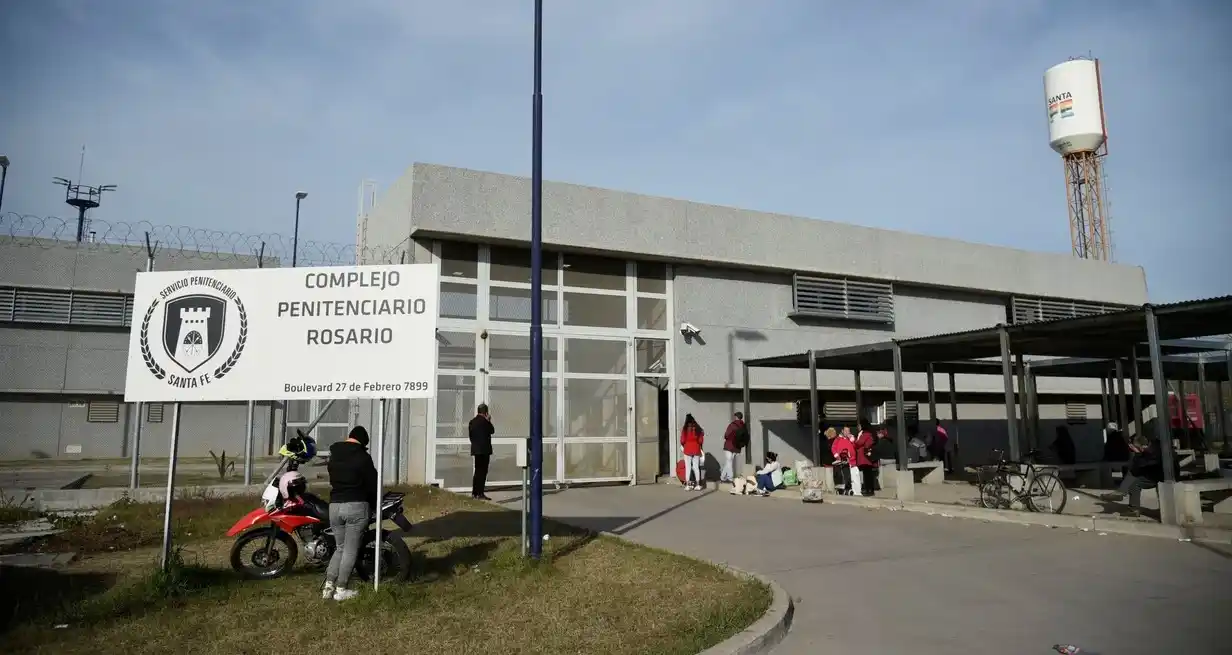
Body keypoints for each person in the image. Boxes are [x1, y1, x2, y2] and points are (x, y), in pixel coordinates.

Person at [323, 426, 378, 602]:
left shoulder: (333, 456)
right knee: (350, 550)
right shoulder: (363, 457)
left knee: (339, 547)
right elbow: (373, 483)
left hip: (334, 506)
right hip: (356, 506)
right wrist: (374, 504)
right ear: (362, 442)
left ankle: (328, 587)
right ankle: (341, 589)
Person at [469, 403, 495, 500]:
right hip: (484, 451)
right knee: (483, 472)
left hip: (476, 450)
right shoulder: (485, 422)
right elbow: (492, 431)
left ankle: (474, 493)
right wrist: (488, 421)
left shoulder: (472, 422)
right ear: (486, 412)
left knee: (477, 472)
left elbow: (471, 436)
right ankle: (480, 493)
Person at [721, 412, 748, 483]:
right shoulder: (744, 426)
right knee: (729, 462)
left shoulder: (732, 425)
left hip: (729, 445)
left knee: (729, 462)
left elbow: (726, 435)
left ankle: (730, 478)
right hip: (737, 447)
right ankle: (722, 477)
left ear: (736, 417)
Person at [680, 414, 705, 490]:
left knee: (688, 468)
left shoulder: (685, 429)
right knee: (696, 467)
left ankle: (688, 485)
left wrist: (685, 444)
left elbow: (682, 440)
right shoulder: (698, 429)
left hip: (687, 449)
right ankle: (698, 485)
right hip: (696, 449)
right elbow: (701, 441)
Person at [831, 427, 858, 495]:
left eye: (848, 431)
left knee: (851, 476)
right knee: (843, 476)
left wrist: (852, 440)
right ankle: (842, 489)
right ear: (842, 431)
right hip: (841, 461)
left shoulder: (851, 439)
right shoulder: (838, 439)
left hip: (851, 461)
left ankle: (851, 489)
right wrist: (837, 456)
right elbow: (833, 448)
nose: (847, 432)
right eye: (845, 431)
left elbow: (856, 447)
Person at [853, 422, 876, 496]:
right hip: (867, 457)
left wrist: (854, 440)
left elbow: (859, 443)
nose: (858, 427)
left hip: (864, 457)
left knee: (867, 474)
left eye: (859, 426)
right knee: (868, 474)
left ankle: (869, 490)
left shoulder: (864, 434)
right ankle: (870, 489)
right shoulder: (868, 434)